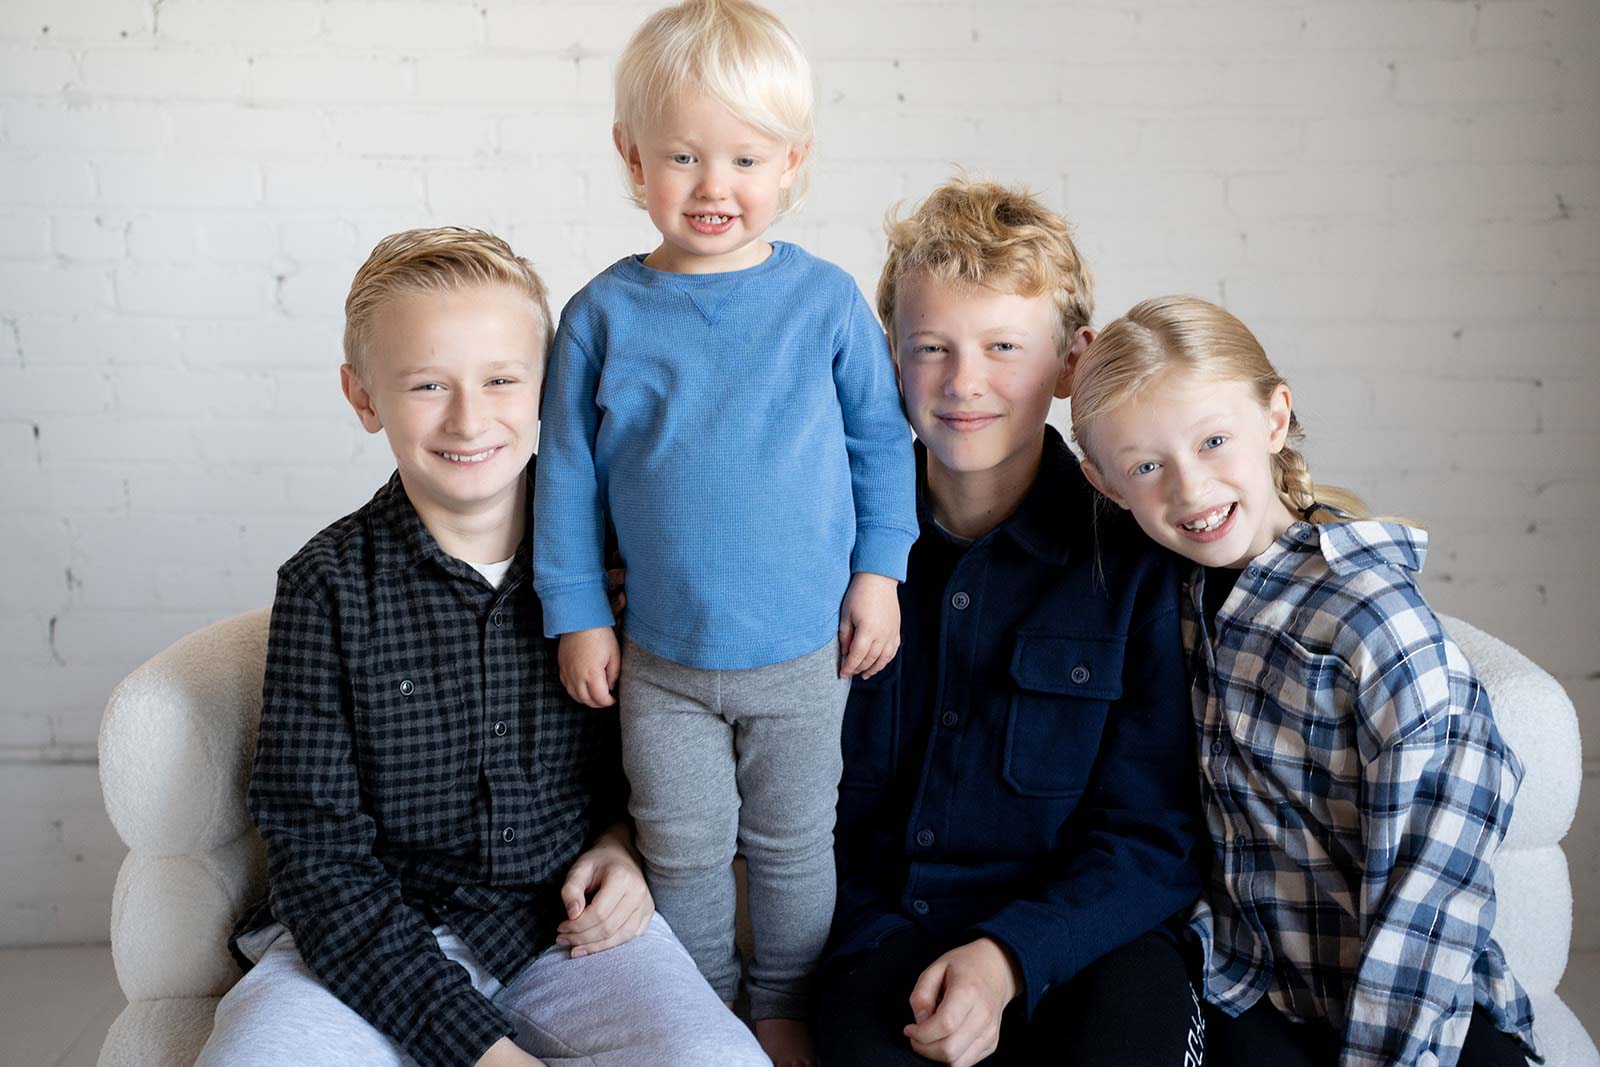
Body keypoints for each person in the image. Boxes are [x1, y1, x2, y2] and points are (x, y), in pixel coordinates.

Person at [194, 227, 767, 1067]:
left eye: (501, 379)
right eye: (428, 384)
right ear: (363, 397)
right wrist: (487, 1054)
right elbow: (319, 863)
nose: (469, 418)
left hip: (562, 932)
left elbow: (674, 743)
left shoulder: (626, 555)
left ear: (547, 385)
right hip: (366, 943)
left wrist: (624, 845)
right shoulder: (326, 587)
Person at [531, 2, 917, 1062]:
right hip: (658, 656)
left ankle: (785, 1002)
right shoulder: (602, 316)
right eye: (683, 156)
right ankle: (701, 1007)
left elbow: (882, 448)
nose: (714, 186)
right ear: (631, 157)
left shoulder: (827, 304)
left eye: (745, 157)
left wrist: (879, 572)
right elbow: (565, 479)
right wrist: (575, 612)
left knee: (793, 844)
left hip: (804, 652)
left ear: (791, 164)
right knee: (684, 845)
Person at [1069, 293, 1541, 1067]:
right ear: (1106, 483)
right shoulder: (1170, 600)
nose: (1189, 490)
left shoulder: (1374, 625)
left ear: (1275, 418)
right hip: (1258, 986)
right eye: (1147, 466)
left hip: (1415, 1009)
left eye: (1214, 440)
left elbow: (1434, 888)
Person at [816, 178, 1206, 1067]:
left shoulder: (1138, 557)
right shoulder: (825, 544)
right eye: (930, 348)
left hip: (1091, 939)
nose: (964, 383)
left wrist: (1007, 958)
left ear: (1072, 361)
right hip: (888, 937)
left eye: (1003, 347)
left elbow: (1155, 834)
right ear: (888, 358)